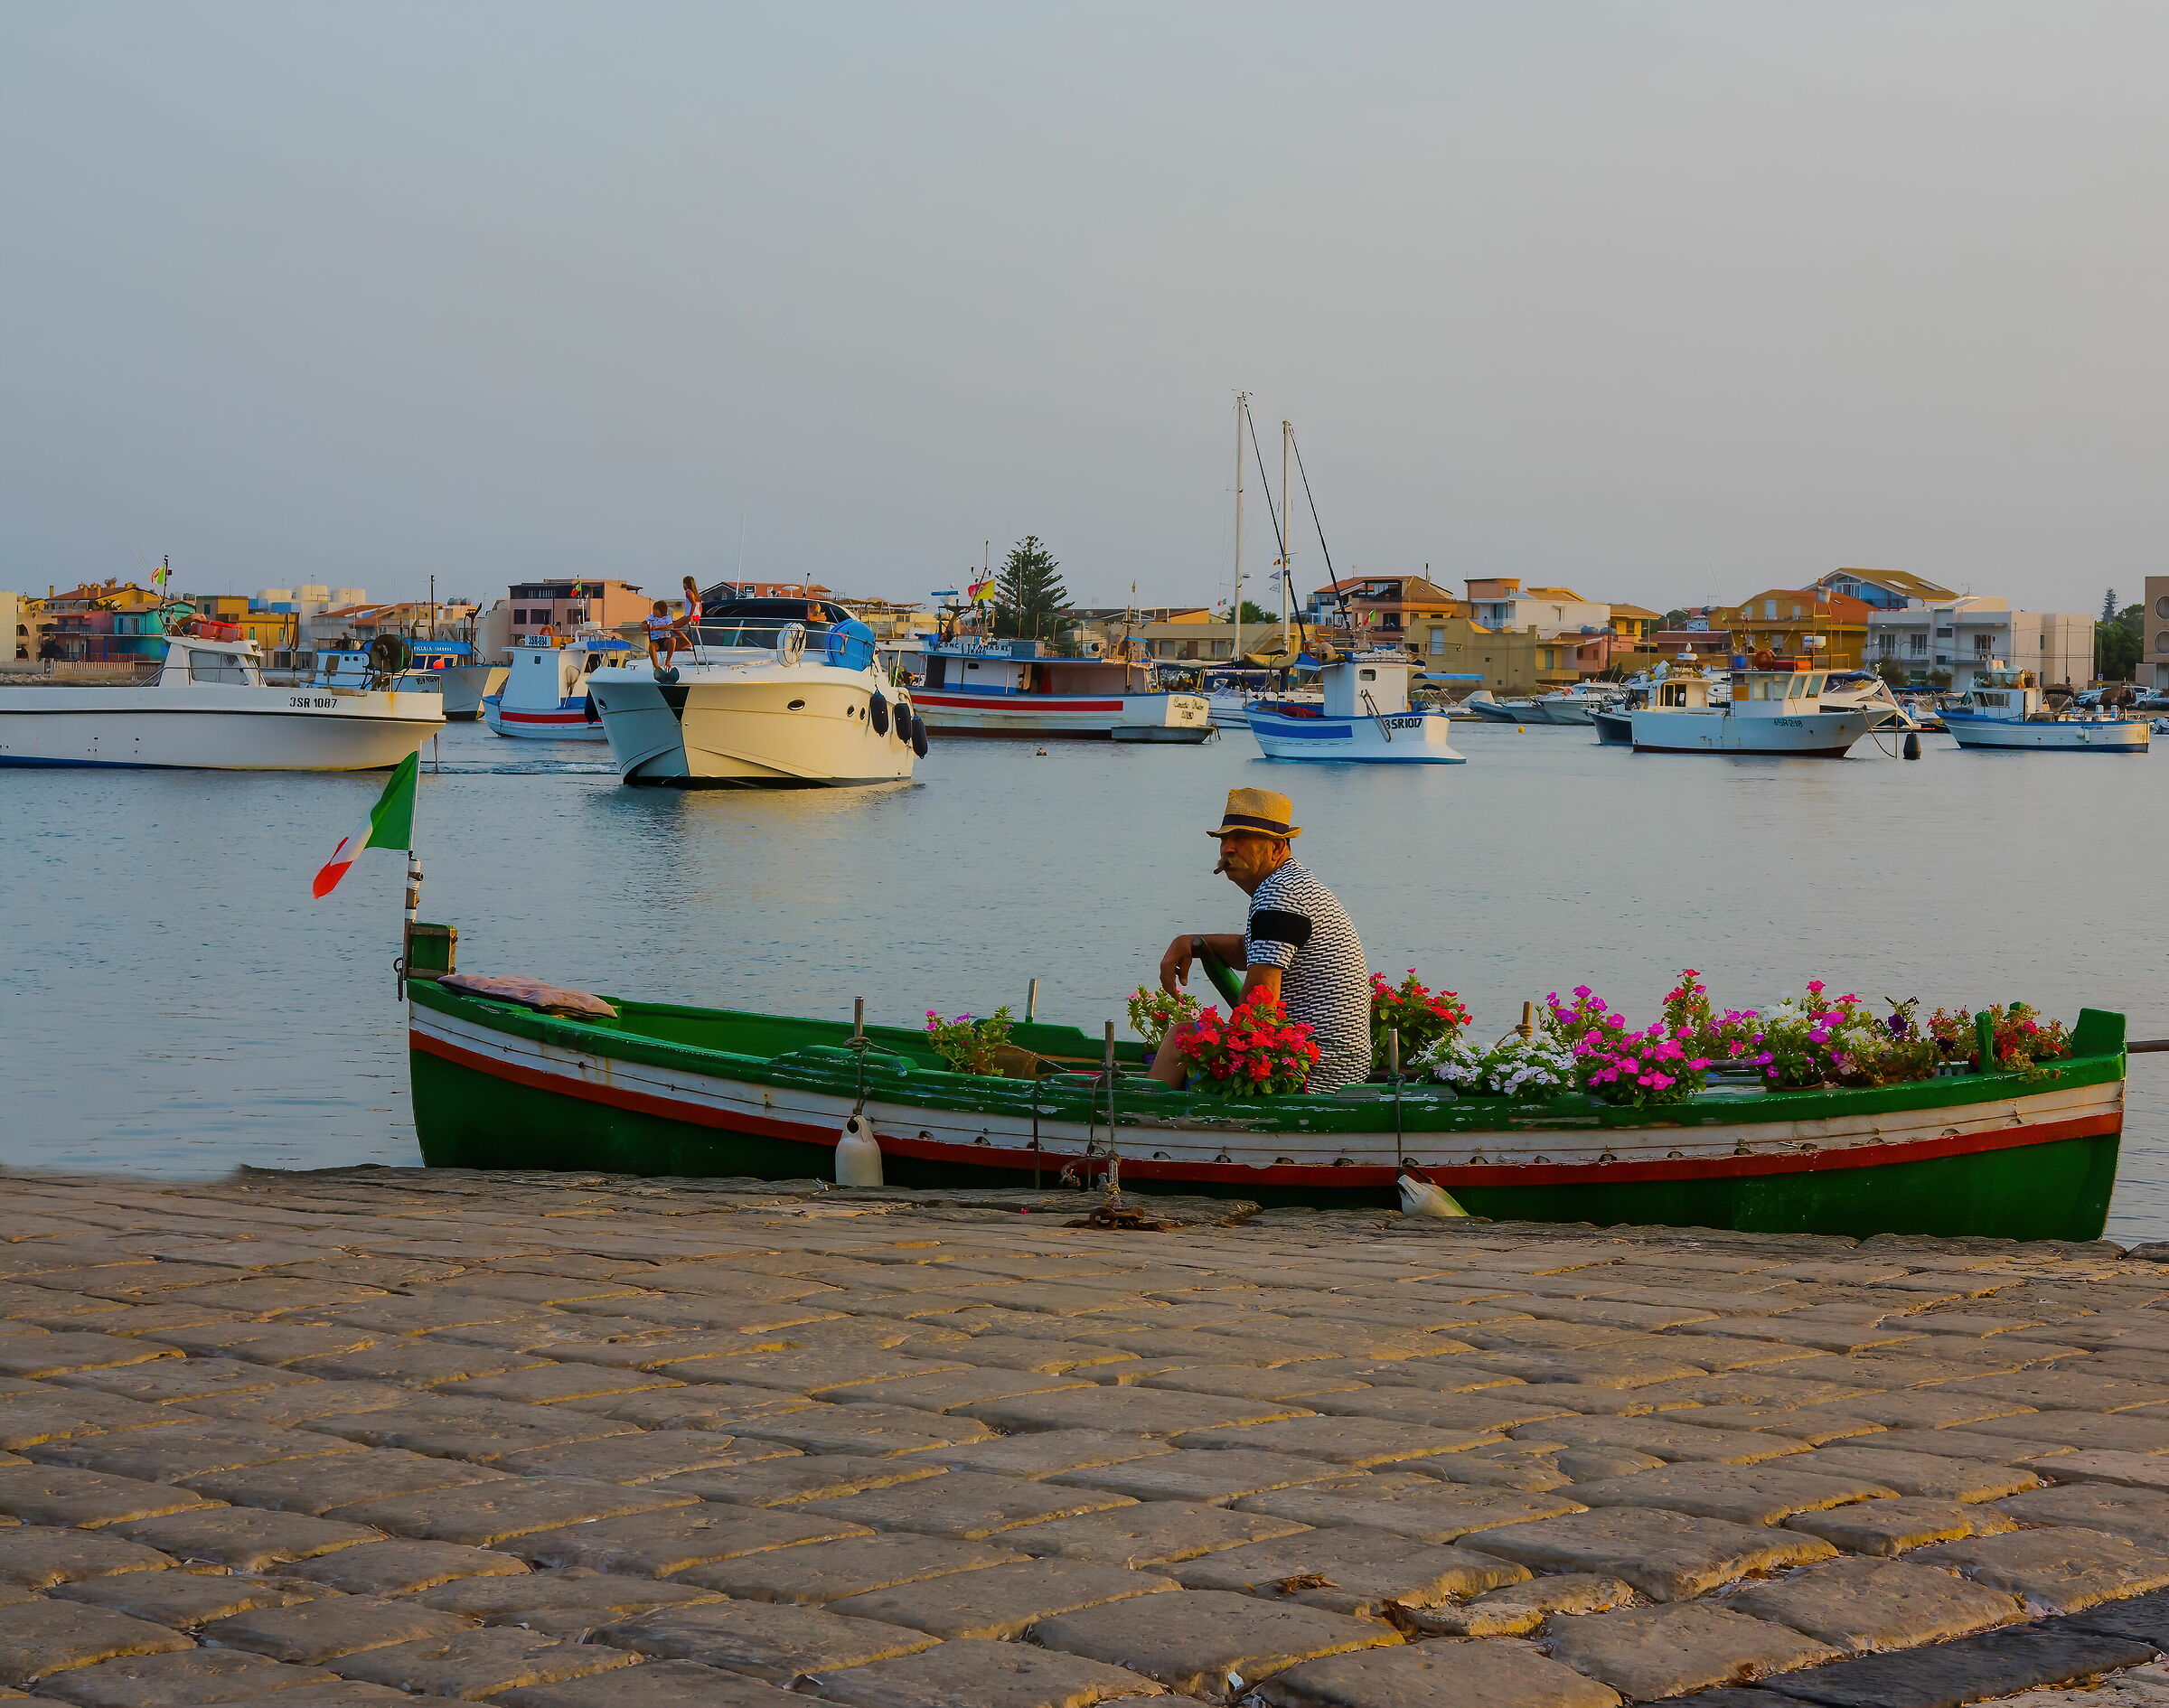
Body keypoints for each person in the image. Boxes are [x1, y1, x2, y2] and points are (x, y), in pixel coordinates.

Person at [1150, 787, 1371, 1094]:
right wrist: (1191, 941)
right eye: (1223, 839)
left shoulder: (1278, 897)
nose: (1227, 848)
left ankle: (1128, 1121)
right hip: (1342, 1068)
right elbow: (1253, 950)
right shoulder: (1294, 884)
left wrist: (1221, 1045)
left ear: (1277, 847)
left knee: (1181, 1036)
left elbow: (1260, 1001)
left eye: (1241, 838)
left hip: (1313, 1074)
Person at [644, 600, 682, 672]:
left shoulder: (667, 618)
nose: (654, 611)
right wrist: (647, 626)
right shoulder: (651, 617)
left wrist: (658, 627)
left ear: (660, 610)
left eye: (655, 610)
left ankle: (667, 661)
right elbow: (643, 624)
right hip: (655, 640)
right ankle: (656, 666)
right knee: (652, 646)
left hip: (665, 639)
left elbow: (671, 627)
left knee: (673, 640)